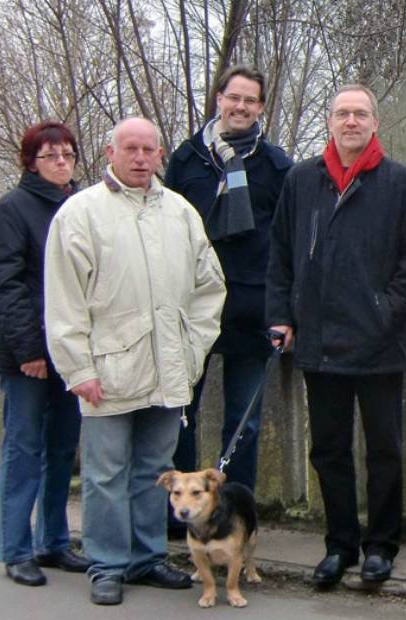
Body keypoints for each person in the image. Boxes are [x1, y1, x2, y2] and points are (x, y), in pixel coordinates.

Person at [44, 117, 226, 605]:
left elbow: (210, 287)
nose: (141, 157)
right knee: (104, 473)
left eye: (149, 149)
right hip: (107, 370)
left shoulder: (180, 213)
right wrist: (77, 368)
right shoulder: (81, 214)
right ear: (110, 152)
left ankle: (147, 558)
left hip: (168, 368)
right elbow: (63, 299)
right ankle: (107, 563)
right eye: (131, 148)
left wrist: (193, 350)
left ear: (160, 153)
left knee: (156, 469)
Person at [266, 84, 406, 587]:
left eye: (360, 114)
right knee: (329, 449)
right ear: (330, 121)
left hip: (378, 345)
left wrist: (386, 313)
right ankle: (339, 544)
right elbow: (279, 255)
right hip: (318, 344)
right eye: (343, 113)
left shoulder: (400, 183)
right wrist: (282, 315)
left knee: (384, 449)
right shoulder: (303, 181)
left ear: (375, 122)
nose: (351, 122)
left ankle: (381, 546)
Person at [165, 65, 293, 502]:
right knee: (181, 413)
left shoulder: (276, 166)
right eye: (233, 97)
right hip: (191, 305)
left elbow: (286, 241)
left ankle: (235, 510)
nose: (240, 107)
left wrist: (282, 309)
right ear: (219, 98)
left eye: (250, 100)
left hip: (250, 306)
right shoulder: (186, 160)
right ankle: (179, 508)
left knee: (244, 419)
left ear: (260, 107)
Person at [0, 121, 90, 586]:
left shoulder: (81, 205)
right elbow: (5, 285)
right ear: (31, 161)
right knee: (23, 449)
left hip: (72, 352)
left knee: (62, 449)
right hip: (26, 353)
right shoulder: (13, 209)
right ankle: (15, 548)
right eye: (50, 155)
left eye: (67, 154)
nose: (61, 162)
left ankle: (54, 542)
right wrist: (30, 348)